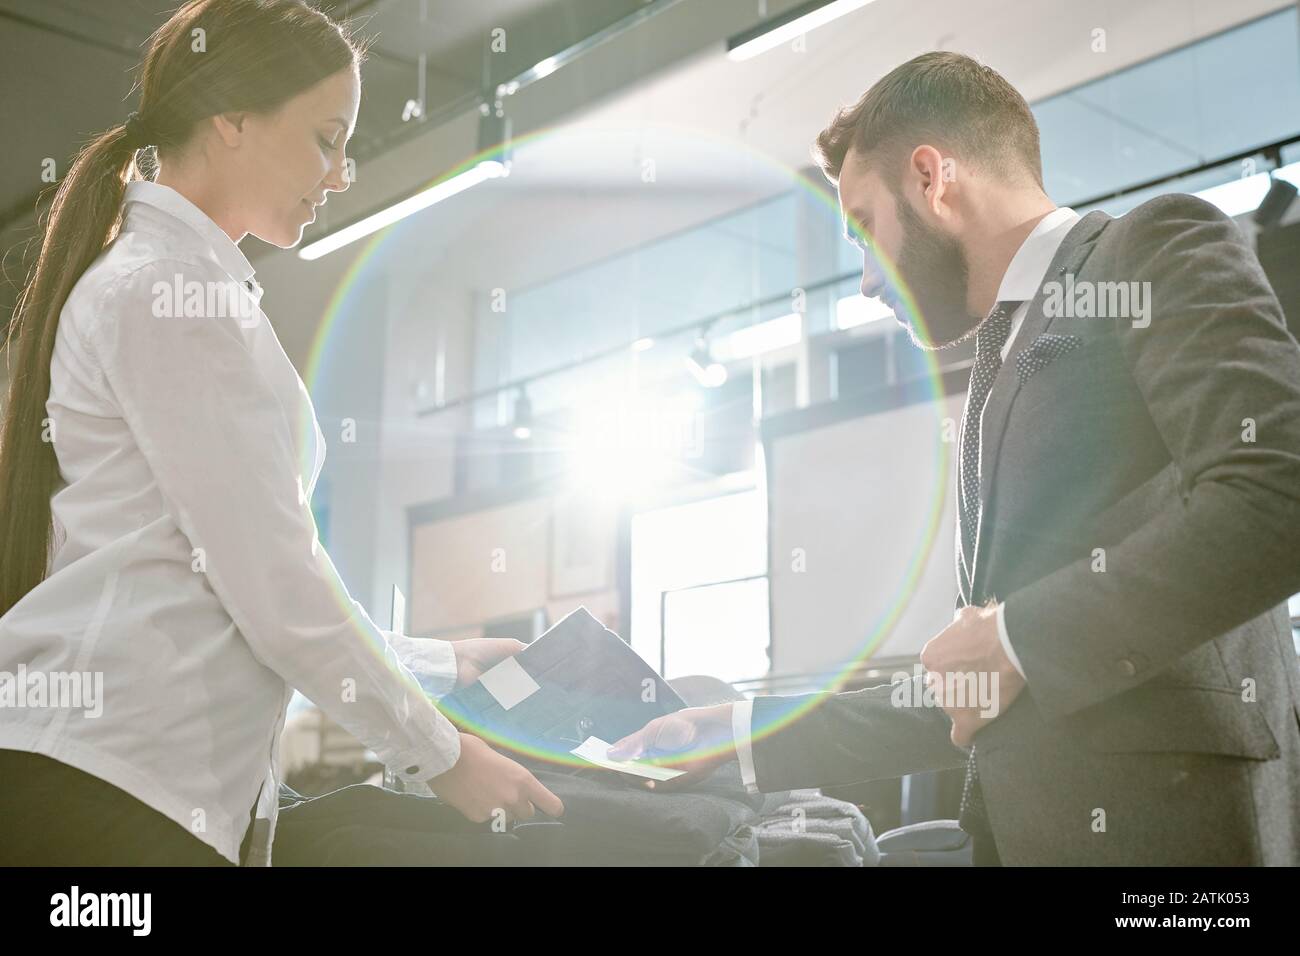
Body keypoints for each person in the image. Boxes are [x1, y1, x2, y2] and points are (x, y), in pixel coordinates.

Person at [611, 51, 1300, 866]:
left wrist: (1014, 638)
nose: (867, 281)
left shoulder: (1151, 247)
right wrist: (741, 734)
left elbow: (1279, 485)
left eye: (865, 228)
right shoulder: (994, 367)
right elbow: (983, 684)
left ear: (933, 179)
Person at [0, 0, 560, 867]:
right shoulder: (166, 293)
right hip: (107, 783)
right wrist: (444, 755)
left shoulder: (184, 288)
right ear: (232, 119)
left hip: (117, 781)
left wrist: (437, 663)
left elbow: (240, 586)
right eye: (325, 138)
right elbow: (271, 581)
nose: (340, 174)